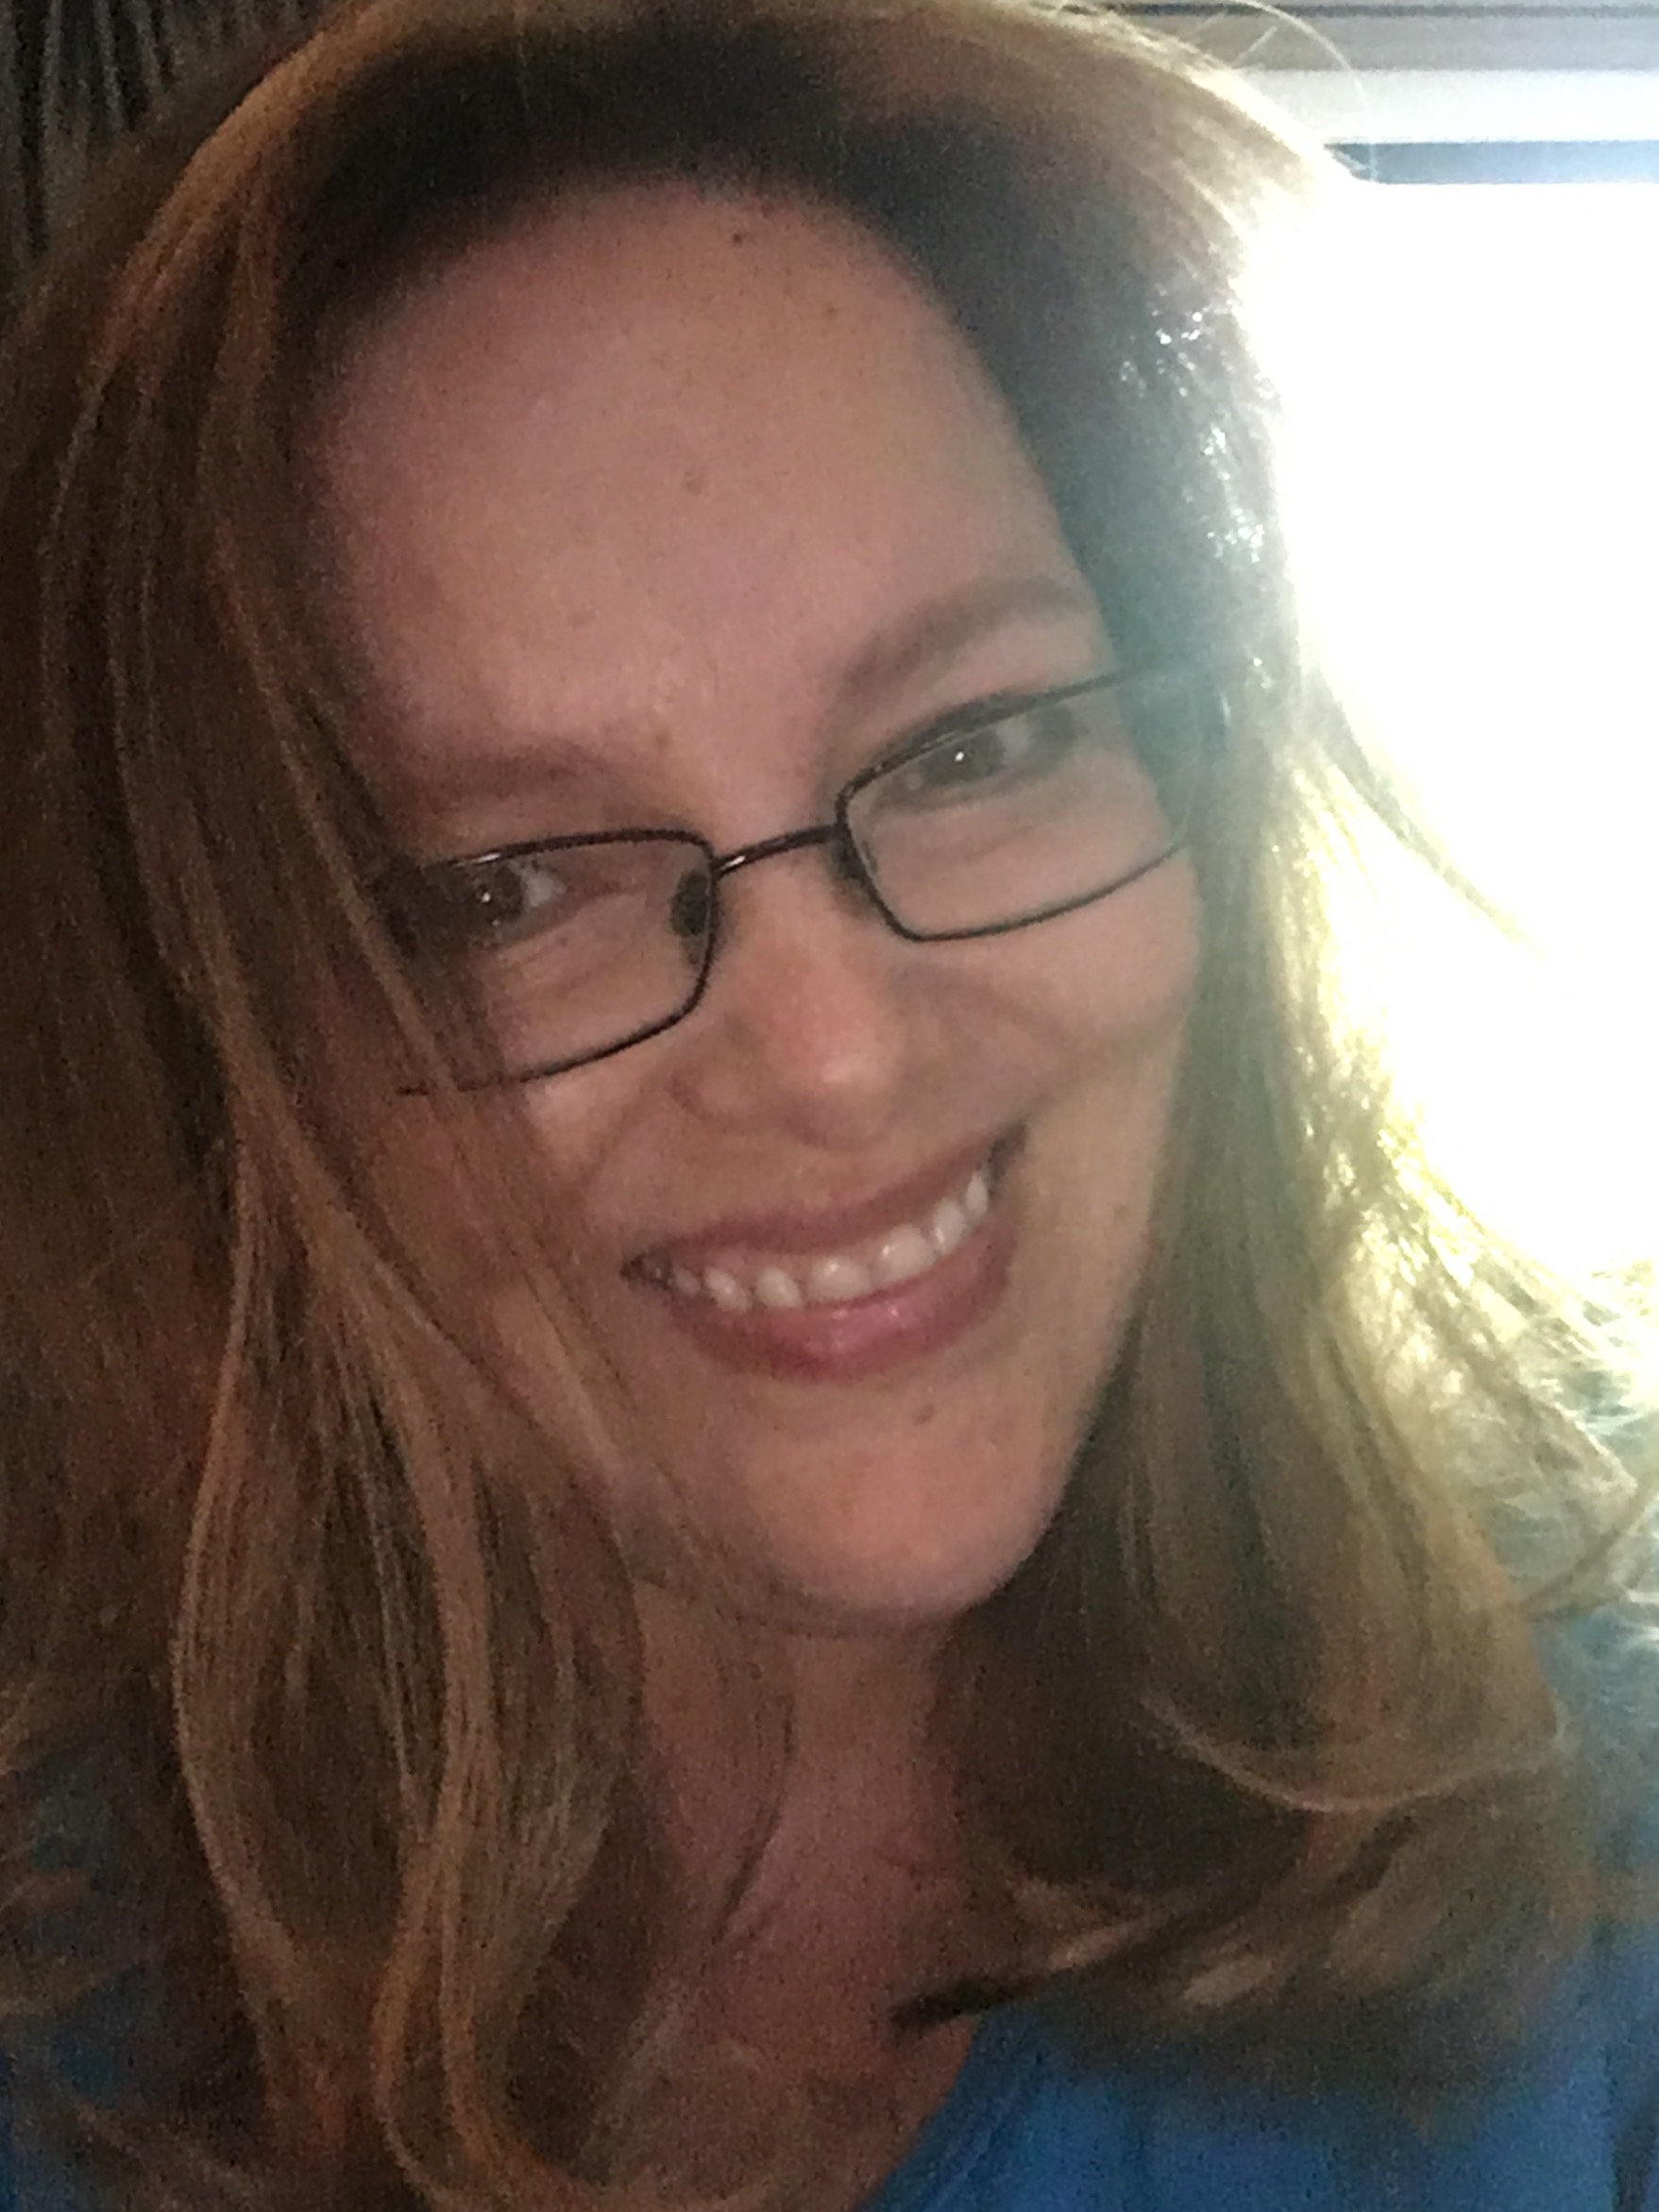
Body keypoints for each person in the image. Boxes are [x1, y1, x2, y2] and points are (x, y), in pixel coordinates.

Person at [0, 0, 1653, 2204]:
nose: (840, 1054)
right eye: (508, 887)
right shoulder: (59, 1993)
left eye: (974, 745)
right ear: (218, 1047)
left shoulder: (1593, 1828)